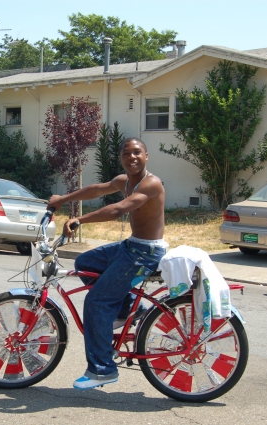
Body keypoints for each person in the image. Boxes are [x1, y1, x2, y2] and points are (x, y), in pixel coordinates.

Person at [46, 137, 167, 391]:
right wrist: (63, 198)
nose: (131, 157)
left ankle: (103, 370)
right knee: (85, 261)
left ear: (147, 156)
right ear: (121, 158)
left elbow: (118, 209)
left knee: (97, 302)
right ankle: (129, 308)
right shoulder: (126, 181)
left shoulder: (151, 184)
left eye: (137, 153)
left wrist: (79, 220)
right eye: (126, 153)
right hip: (133, 245)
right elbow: (96, 189)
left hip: (145, 252)